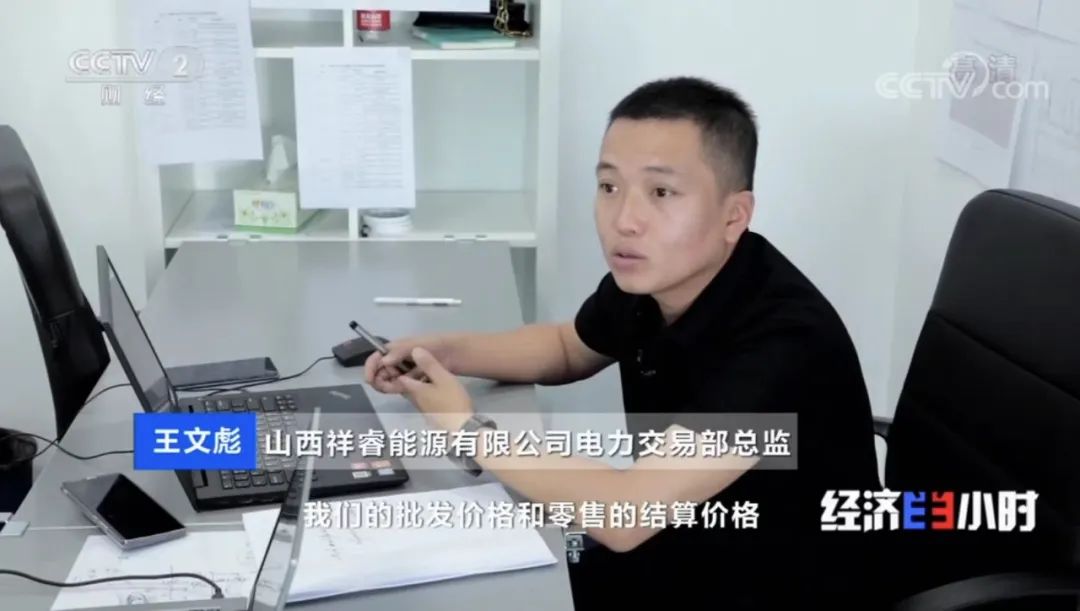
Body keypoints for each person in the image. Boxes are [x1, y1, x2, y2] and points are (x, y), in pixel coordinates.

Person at [364, 76, 884, 609]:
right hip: (679, 553)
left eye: (661, 193)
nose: (625, 221)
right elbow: (567, 348)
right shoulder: (654, 278)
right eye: (609, 187)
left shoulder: (784, 343)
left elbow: (626, 515)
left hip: (775, 587)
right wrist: (446, 353)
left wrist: (465, 428)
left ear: (734, 215)